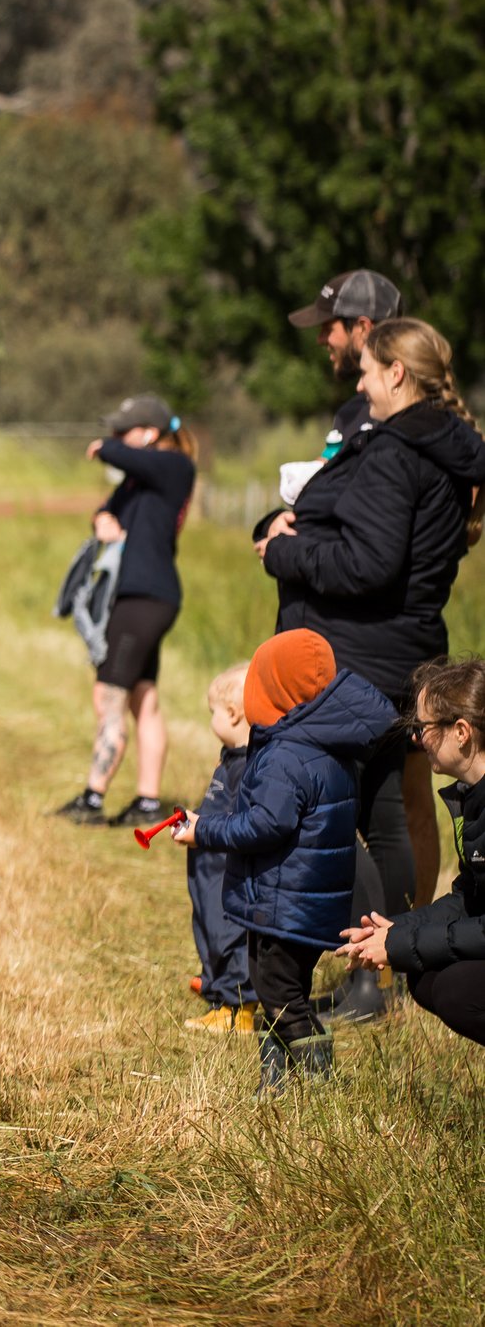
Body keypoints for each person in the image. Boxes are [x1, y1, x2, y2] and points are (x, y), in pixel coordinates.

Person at [257, 317, 485, 1017]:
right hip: (400, 652)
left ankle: (346, 979)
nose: (357, 381)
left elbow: (370, 563)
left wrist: (284, 552)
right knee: (381, 815)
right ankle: (371, 979)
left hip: (359, 654)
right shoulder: (444, 445)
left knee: (325, 817)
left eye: (368, 369)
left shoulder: (397, 452)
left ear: (396, 374)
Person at [174, 629, 395, 1089]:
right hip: (296, 900)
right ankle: (273, 1081)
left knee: (280, 995)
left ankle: (318, 1077)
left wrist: (205, 830)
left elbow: (263, 825)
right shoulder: (319, 743)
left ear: (273, 693)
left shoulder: (287, 754)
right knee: (275, 988)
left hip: (286, 901)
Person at [56, 395, 197, 826]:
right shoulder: (139, 479)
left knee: (108, 694)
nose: (116, 437)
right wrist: (101, 519)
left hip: (144, 598)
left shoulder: (174, 467)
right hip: (141, 597)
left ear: (149, 433)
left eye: (125, 430)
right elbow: (108, 507)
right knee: (143, 699)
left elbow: (116, 454)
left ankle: (93, 800)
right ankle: (148, 802)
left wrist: (105, 446)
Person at [339, 657, 485, 1048]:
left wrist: (400, 946)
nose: (416, 740)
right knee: (426, 977)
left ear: (461, 732)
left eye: (422, 728)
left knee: (454, 989)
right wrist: (398, 931)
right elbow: (470, 899)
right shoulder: (473, 797)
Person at [183, 665, 257, 1034]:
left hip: (226, 873)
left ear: (232, 713)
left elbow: (239, 823)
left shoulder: (248, 767)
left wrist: (202, 832)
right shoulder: (230, 759)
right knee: (209, 927)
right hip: (207, 872)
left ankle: (237, 1007)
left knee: (229, 932)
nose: (210, 716)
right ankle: (216, 988)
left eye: (212, 710)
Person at [288, 268, 402, 455]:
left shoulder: (424, 415)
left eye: (328, 328)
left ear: (363, 328)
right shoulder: (348, 415)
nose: (320, 339)